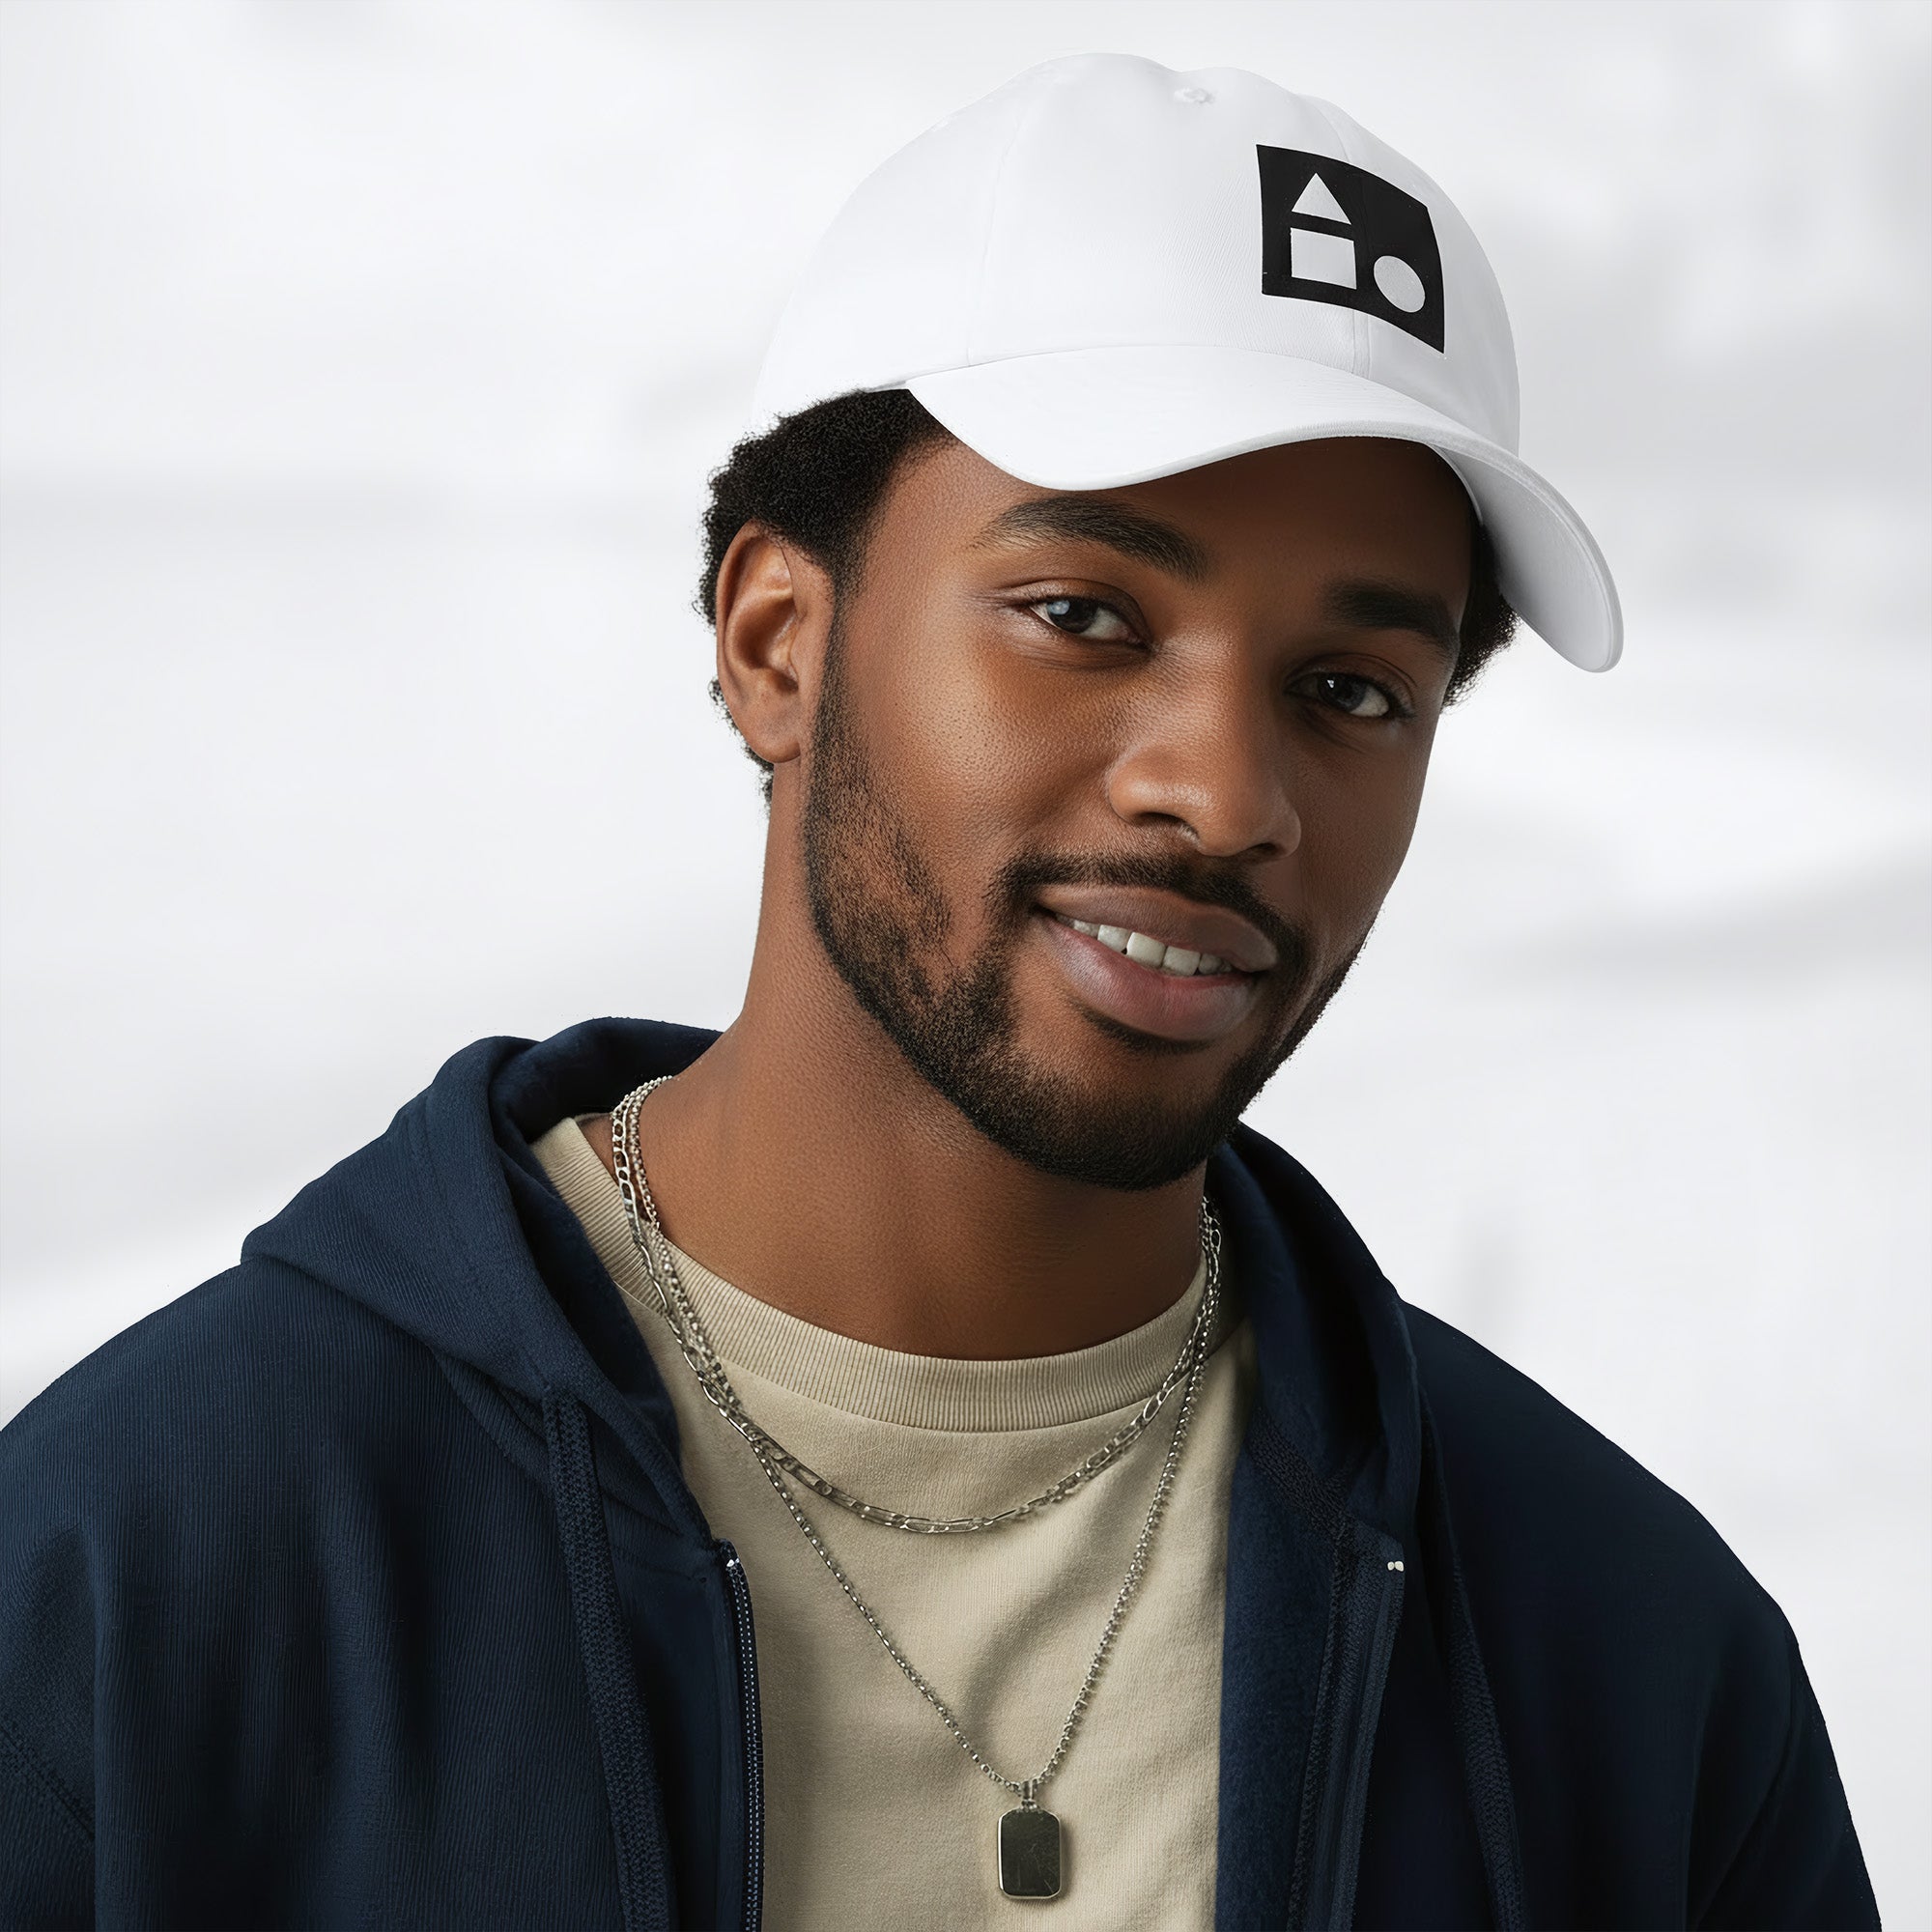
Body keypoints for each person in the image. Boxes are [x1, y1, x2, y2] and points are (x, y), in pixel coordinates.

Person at [0, 52, 1877, 1932]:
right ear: (772, 643)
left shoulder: (1629, 1658)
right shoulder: (142, 1556)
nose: (1222, 796)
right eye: (1082, 616)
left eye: (1349, 691)